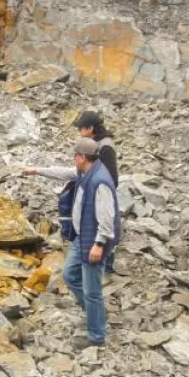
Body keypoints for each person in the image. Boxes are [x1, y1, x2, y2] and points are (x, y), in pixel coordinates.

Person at [23, 138, 121, 349]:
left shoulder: (100, 182)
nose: (73, 159)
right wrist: (37, 171)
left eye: (75, 155)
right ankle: (96, 312)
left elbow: (107, 218)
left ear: (82, 157)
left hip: (94, 241)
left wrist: (99, 244)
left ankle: (96, 336)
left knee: (92, 290)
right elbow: (62, 172)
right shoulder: (86, 172)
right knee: (69, 275)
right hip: (81, 237)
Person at [72, 110, 120, 274]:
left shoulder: (105, 147)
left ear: (90, 128)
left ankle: (106, 267)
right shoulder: (95, 142)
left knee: (104, 223)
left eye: (81, 129)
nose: (79, 132)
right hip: (95, 190)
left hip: (101, 193)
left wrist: (95, 189)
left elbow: (111, 178)